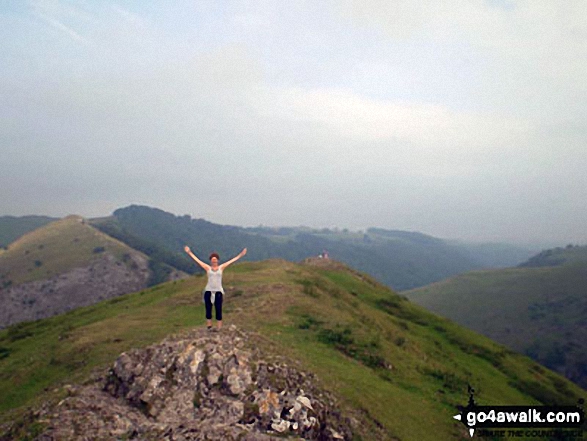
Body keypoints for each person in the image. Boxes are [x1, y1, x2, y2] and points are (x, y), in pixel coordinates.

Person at [184, 245, 247, 331]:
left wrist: (241, 255)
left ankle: (219, 327)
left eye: (215, 260)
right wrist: (189, 252)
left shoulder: (221, 268)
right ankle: (209, 327)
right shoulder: (207, 268)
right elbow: (198, 261)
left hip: (218, 292)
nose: (214, 261)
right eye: (212, 260)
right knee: (208, 310)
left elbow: (231, 261)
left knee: (218, 309)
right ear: (210, 261)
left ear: (218, 260)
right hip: (208, 291)